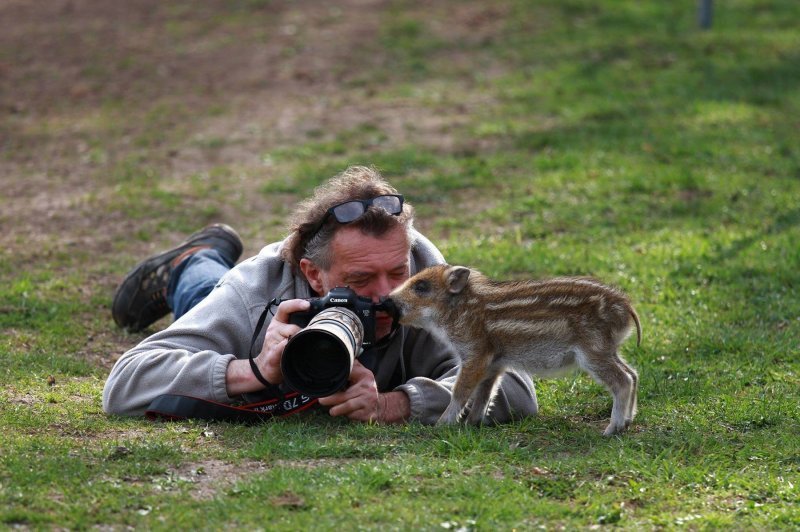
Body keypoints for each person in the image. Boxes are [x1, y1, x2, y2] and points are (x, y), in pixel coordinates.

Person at [103, 166, 539, 424]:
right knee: (202, 294)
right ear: (313, 275)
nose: (387, 295)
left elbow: (517, 386)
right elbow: (124, 384)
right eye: (361, 278)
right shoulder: (258, 289)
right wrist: (252, 370)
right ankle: (192, 262)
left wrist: (398, 403)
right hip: (236, 297)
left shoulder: (428, 290)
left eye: (396, 271)